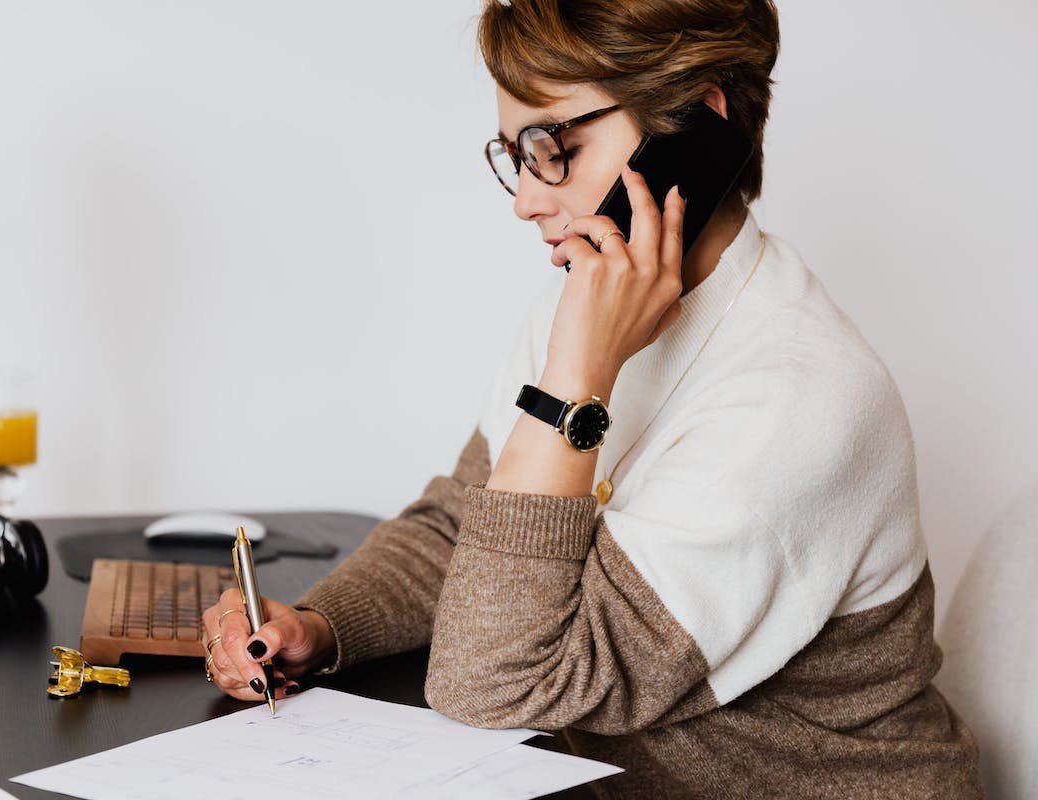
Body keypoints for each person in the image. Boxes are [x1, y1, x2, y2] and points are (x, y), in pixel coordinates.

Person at [202, 0, 985, 796]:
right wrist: (321, 627)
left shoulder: (797, 399)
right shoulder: (590, 306)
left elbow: (491, 685)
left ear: (694, 127)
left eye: (555, 147)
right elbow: (464, 527)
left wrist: (573, 380)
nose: (526, 199)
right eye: (515, 155)